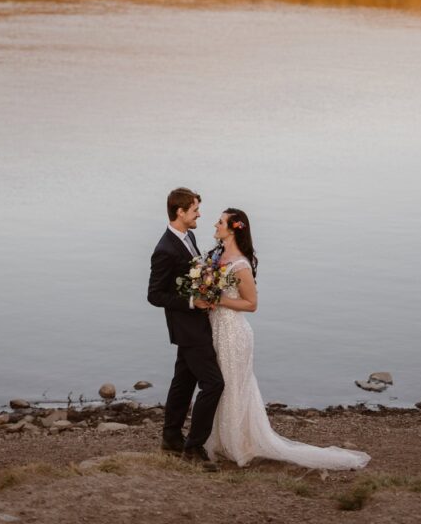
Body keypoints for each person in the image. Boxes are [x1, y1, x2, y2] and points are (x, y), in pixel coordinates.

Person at [205, 207, 370, 470]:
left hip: (235, 334)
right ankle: (224, 439)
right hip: (217, 330)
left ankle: (239, 443)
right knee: (222, 385)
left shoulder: (241, 265)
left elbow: (251, 304)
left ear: (234, 228)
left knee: (235, 386)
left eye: (221, 221)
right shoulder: (217, 256)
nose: (215, 224)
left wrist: (219, 299)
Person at [147, 187, 224, 471]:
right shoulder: (164, 250)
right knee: (214, 384)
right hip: (187, 326)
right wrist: (192, 301)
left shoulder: (188, 236)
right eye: (194, 210)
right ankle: (193, 448)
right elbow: (154, 295)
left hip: (197, 324)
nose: (199, 215)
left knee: (184, 381)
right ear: (180, 212)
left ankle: (170, 437)